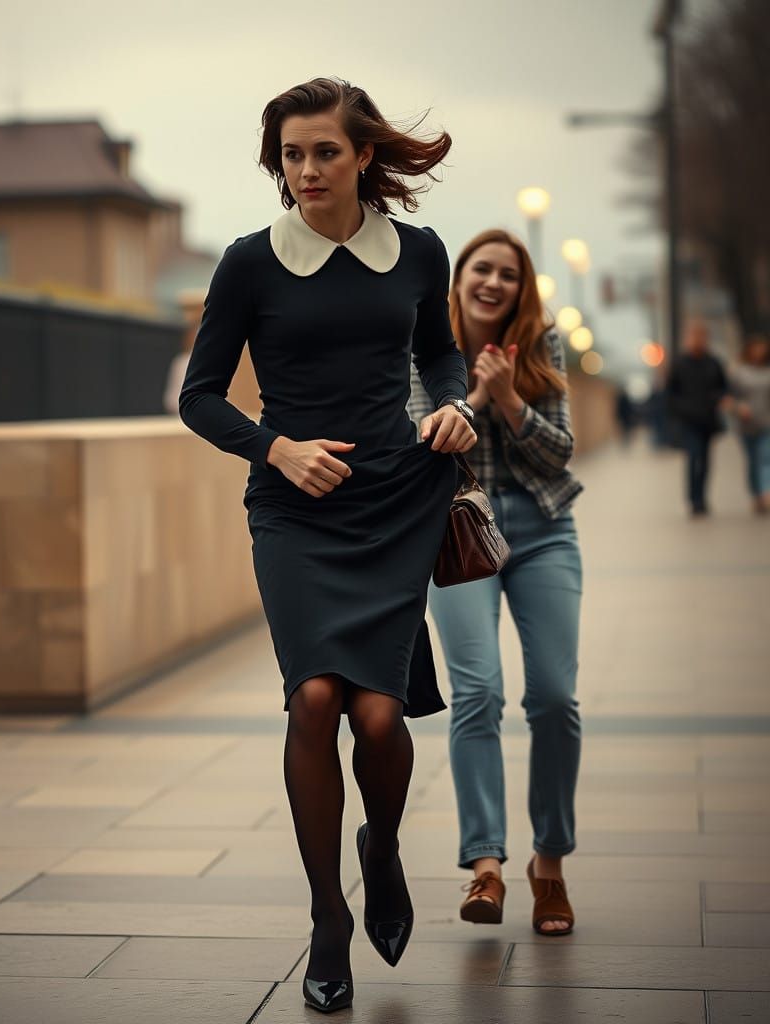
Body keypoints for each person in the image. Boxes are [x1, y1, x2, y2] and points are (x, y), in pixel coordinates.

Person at [179, 77, 476, 1013]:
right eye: (291, 155)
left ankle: (380, 852)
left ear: (364, 158)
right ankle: (326, 917)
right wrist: (276, 447)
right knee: (313, 698)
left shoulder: (418, 253)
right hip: (294, 509)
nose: (306, 170)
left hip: (394, 497)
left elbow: (439, 356)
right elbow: (201, 395)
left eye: (324, 152)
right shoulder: (248, 263)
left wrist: (456, 406)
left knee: (381, 720)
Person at [408, 228, 583, 937]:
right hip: (457, 533)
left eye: (508, 274)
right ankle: (485, 866)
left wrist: (509, 398)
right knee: (477, 690)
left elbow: (560, 453)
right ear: (459, 279)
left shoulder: (541, 348)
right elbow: (422, 440)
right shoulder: (425, 347)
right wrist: (474, 399)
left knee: (553, 698)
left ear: (523, 287)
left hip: (543, 532)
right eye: (481, 269)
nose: (493, 282)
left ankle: (550, 864)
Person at [666, 319, 728, 516]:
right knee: (694, 457)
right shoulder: (680, 363)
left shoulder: (714, 362)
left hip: (708, 419)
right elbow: (670, 392)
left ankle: (702, 496)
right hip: (688, 420)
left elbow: (723, 387)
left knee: (706, 460)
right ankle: (694, 499)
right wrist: (678, 412)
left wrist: (719, 399)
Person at [725, 333, 770, 515]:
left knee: (765, 459)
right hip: (746, 424)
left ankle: (765, 493)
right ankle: (756, 494)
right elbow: (728, 398)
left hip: (767, 422)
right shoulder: (739, 372)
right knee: (752, 462)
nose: (759, 352)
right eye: (755, 348)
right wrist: (738, 407)